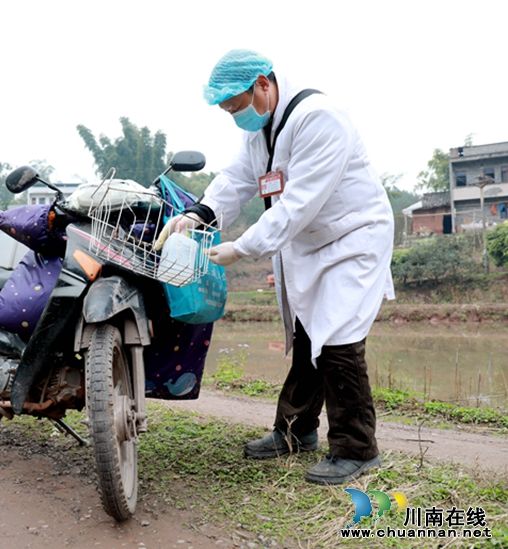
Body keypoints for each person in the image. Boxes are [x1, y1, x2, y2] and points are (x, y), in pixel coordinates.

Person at [156, 49, 395, 485]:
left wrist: (241, 248)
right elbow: (237, 178)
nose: (235, 116)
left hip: (351, 238)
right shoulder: (262, 130)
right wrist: (199, 214)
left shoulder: (321, 119)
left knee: (338, 337)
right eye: (227, 111)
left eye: (237, 105)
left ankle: (357, 448)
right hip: (309, 242)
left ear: (263, 83)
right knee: (308, 334)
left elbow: (299, 203)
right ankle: (295, 432)